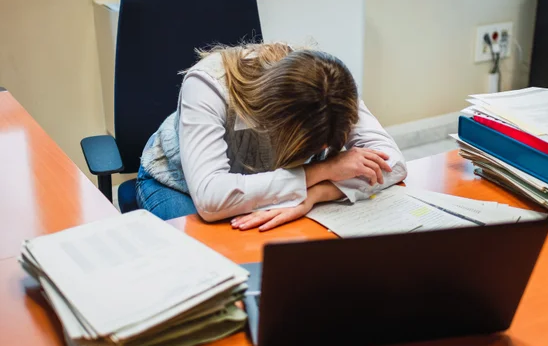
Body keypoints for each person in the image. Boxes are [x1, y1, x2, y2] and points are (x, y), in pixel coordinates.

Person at [136, 42, 407, 231]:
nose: (321, 151)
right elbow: (210, 197)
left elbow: (393, 164)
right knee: (210, 261)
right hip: (176, 183)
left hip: (273, 185)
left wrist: (315, 194)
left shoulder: (329, 86)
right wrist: (322, 170)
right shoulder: (208, 84)